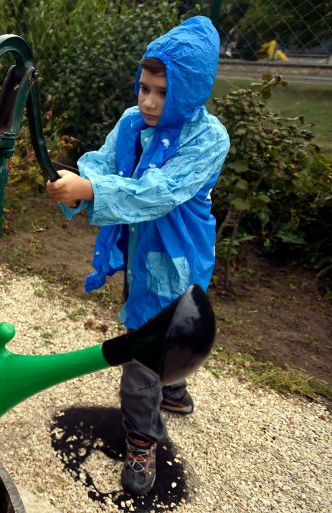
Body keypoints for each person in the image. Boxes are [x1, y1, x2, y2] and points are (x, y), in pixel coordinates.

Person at [46, 16, 229, 495]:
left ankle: (143, 439)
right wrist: (79, 184)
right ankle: (174, 387)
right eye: (144, 87)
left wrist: (91, 189)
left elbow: (156, 192)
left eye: (162, 92)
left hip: (177, 258)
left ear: (190, 92)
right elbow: (103, 163)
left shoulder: (208, 140)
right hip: (141, 248)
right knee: (165, 329)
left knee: (145, 348)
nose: (148, 102)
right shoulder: (133, 122)